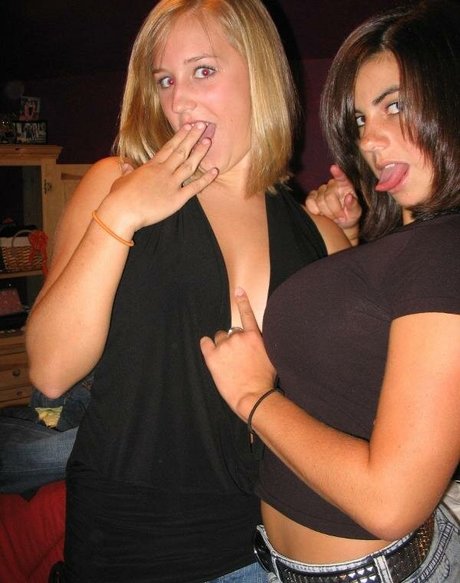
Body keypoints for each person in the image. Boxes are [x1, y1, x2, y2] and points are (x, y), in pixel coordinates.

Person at [24, 1, 349, 581]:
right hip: (126, 549)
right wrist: (120, 216)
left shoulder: (318, 234)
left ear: (259, 72)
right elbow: (50, 371)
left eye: (203, 71)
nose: (179, 102)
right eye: (166, 81)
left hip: (264, 549)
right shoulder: (117, 183)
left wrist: (355, 240)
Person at [201, 1, 460, 581]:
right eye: (361, 120)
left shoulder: (447, 250)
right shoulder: (422, 244)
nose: (370, 140)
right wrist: (347, 240)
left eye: (395, 105)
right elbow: (363, 359)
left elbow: (390, 501)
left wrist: (253, 399)